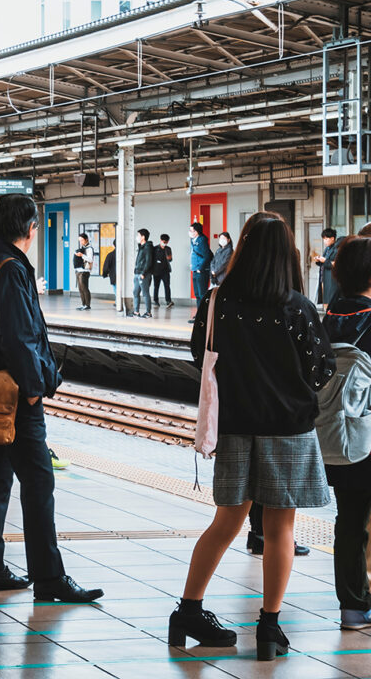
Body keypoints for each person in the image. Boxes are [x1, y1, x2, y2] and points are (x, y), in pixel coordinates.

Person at [169, 213, 333, 661]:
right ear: (287, 253)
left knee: (225, 523)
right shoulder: (297, 307)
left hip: (236, 426)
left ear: (241, 249)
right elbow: (322, 369)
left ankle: (189, 610)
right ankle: (269, 628)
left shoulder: (217, 300)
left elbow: (198, 354)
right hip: (288, 430)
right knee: (280, 529)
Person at [0, 194, 104, 604]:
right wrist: (36, 389)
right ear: (30, 229)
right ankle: (49, 577)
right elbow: (19, 338)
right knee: (39, 480)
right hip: (14, 398)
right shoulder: (12, 271)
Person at [317, 235, 371, 630]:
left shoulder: (328, 317)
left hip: (335, 437)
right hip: (368, 434)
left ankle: (352, 607)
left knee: (349, 519)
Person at [189, 222, 214, 323]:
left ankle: (204, 315)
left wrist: (200, 267)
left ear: (197, 232)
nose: (190, 232)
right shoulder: (193, 240)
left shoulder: (202, 240)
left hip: (201, 271)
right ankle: (200, 314)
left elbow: (207, 255)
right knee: (197, 294)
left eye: (192, 230)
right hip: (195, 270)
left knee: (202, 294)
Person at [132, 228, 155, 318]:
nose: (136, 237)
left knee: (145, 293)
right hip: (137, 273)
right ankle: (136, 312)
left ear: (143, 237)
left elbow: (148, 261)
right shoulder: (141, 247)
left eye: (138, 235)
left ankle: (148, 313)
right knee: (135, 292)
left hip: (143, 274)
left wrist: (143, 273)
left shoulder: (148, 247)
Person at [316, 228, 340, 307]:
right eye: (323, 239)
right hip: (324, 278)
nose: (324, 241)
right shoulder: (327, 249)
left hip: (332, 280)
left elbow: (336, 264)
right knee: (325, 301)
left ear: (332, 238)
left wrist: (324, 260)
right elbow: (325, 262)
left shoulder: (337, 249)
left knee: (331, 301)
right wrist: (319, 261)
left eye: (326, 239)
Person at [73, 233, 94, 311]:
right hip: (79, 270)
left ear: (86, 240)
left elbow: (90, 259)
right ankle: (83, 304)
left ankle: (87, 305)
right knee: (80, 288)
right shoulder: (82, 248)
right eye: (80, 240)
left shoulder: (89, 249)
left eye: (82, 240)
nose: (81, 242)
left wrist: (82, 255)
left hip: (85, 271)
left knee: (85, 288)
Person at [153, 234, 173, 308]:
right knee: (156, 286)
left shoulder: (168, 249)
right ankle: (155, 301)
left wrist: (169, 257)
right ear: (160, 240)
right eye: (163, 241)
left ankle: (168, 301)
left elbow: (170, 259)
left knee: (167, 286)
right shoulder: (155, 248)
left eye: (166, 242)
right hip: (156, 271)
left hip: (165, 271)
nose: (165, 243)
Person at [102, 238, 117, 309]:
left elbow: (106, 266)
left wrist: (104, 274)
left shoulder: (110, 255)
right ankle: (119, 302)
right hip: (124, 277)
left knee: (116, 290)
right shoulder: (126, 255)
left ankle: (118, 302)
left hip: (114, 276)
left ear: (114, 245)